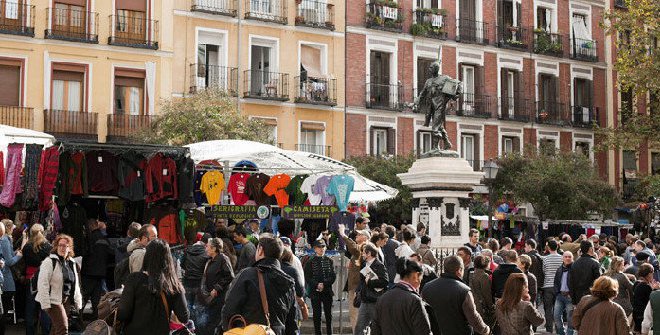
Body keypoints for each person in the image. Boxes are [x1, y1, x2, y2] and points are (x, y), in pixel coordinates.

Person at [221, 234, 296, 335]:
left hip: (249, 331)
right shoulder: (288, 282)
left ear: (260, 250)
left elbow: (229, 308)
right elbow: (292, 322)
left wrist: (228, 329)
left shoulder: (248, 274)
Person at [117, 239, 190, 335]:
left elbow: (123, 314)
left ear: (147, 256)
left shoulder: (134, 279)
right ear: (168, 259)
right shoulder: (173, 285)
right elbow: (184, 317)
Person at [423, 255, 489, 335]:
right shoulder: (464, 291)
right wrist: (485, 329)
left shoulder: (427, 287)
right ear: (459, 270)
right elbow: (473, 317)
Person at [35, 234, 83, 335]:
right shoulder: (49, 262)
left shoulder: (72, 263)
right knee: (63, 329)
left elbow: (76, 284)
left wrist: (77, 300)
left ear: (69, 248)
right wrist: (45, 303)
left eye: (65, 246)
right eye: (60, 245)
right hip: (53, 300)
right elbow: (42, 284)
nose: (62, 248)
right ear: (56, 246)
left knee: (55, 330)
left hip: (66, 300)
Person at [371, 258, 432, 335]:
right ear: (415, 275)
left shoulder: (382, 298)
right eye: (421, 277)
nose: (420, 281)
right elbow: (423, 332)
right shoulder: (414, 300)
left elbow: (375, 331)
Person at [198, 238, 234, 335]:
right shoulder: (210, 260)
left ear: (214, 249)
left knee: (215, 322)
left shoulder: (223, 259)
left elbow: (230, 276)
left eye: (207, 247)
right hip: (211, 297)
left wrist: (217, 288)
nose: (205, 249)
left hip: (219, 298)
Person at [80, 219, 113, 319]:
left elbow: (84, 254)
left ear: (90, 226)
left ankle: (78, 319)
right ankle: (96, 320)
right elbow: (111, 254)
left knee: (84, 297)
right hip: (101, 273)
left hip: (89, 272)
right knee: (96, 299)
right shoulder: (105, 239)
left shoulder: (89, 238)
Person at [353, 242, 388, 335]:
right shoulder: (364, 264)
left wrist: (370, 282)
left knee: (376, 328)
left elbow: (385, 282)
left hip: (374, 301)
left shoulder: (379, 265)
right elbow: (361, 281)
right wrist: (357, 291)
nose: (362, 254)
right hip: (364, 301)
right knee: (359, 328)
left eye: (364, 253)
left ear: (369, 254)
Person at [23, 224, 52, 335]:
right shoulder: (48, 247)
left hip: (31, 279)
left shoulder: (27, 247)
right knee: (44, 308)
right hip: (45, 280)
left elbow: (25, 263)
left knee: (30, 310)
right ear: (42, 232)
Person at [338, 225, 368, 329]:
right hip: (356, 284)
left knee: (355, 313)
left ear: (365, 237)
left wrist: (343, 234)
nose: (357, 235)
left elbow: (354, 249)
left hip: (357, 286)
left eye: (360, 234)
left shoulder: (364, 247)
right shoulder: (363, 248)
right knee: (355, 313)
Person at [304, 239, 336, 335]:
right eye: (319, 247)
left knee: (328, 316)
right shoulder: (310, 261)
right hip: (315, 292)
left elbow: (333, 276)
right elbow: (308, 277)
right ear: (315, 249)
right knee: (317, 315)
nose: (322, 249)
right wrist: (317, 284)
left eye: (323, 247)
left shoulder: (329, 260)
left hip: (327, 291)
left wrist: (324, 284)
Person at [181, 232, 210, 324]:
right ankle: (197, 330)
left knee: (187, 307)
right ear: (207, 243)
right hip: (199, 284)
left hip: (187, 282)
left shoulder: (188, 250)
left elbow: (182, 264)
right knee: (199, 310)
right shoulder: (207, 253)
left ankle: (187, 328)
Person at [280, 248, 306, 335]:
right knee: (292, 328)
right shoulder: (292, 270)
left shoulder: (274, 267)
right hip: (290, 305)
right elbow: (300, 291)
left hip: (275, 305)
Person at [0, 219, 22, 321]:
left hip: (5, 279)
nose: (14, 228)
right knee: (3, 312)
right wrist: (19, 256)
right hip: (6, 280)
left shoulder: (6, 239)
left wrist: (15, 253)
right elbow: (9, 262)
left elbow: (7, 256)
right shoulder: (4, 240)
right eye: (12, 226)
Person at [569, 240, 602, 306]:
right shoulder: (595, 263)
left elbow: (571, 283)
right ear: (590, 249)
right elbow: (600, 282)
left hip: (578, 298)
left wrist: (574, 301)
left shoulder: (574, 264)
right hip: (592, 298)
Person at [541, 238, 563, 333]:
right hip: (559, 286)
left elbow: (544, 271)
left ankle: (549, 329)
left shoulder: (545, 258)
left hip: (547, 286)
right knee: (558, 309)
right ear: (557, 247)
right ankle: (558, 329)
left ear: (548, 248)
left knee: (548, 309)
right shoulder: (562, 258)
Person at [469, 255, 494, 328]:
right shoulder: (484, 276)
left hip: (473, 302)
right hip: (481, 305)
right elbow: (487, 294)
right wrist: (491, 306)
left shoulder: (471, 273)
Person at [634, 263, 660, 332]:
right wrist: (655, 289)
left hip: (636, 315)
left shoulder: (637, 283)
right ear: (649, 274)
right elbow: (653, 300)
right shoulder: (646, 287)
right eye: (652, 273)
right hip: (643, 317)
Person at [554, 251, 575, 335]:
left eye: (569, 257)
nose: (567, 258)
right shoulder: (559, 269)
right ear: (562, 258)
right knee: (556, 316)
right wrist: (557, 293)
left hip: (570, 297)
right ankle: (561, 333)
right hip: (560, 296)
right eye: (565, 256)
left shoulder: (575, 269)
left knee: (570, 318)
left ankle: (570, 333)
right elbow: (556, 282)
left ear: (572, 258)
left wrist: (572, 294)